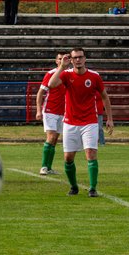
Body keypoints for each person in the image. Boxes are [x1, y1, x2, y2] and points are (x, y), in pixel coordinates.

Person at [47, 46, 114, 197]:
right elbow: (51, 84)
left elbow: (105, 97)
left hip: (90, 121)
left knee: (90, 153)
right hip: (70, 122)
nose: (78, 60)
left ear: (85, 59)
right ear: (71, 60)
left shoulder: (94, 76)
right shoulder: (66, 75)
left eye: (80, 57)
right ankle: (73, 186)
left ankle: (92, 188)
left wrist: (109, 118)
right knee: (68, 158)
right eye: (75, 57)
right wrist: (62, 67)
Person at [35, 53, 67, 175]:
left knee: (55, 140)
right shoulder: (50, 74)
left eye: (64, 59)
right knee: (51, 137)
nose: (62, 61)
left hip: (63, 111)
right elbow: (40, 93)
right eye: (60, 59)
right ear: (56, 61)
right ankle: (43, 167)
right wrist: (38, 110)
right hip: (50, 110)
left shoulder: (69, 74)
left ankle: (49, 167)